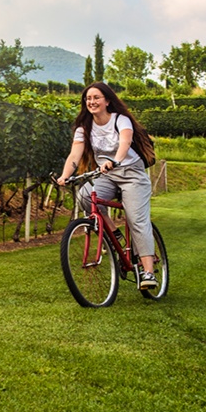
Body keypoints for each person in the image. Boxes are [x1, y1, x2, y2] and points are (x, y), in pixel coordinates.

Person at [57, 82, 158, 290]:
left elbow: (125, 143)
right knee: (85, 196)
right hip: (106, 175)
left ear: (107, 101)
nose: (91, 102)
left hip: (131, 174)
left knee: (136, 219)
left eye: (96, 97)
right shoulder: (84, 128)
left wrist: (116, 160)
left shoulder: (121, 120)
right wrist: (65, 176)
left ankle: (148, 272)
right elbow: (75, 154)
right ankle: (113, 234)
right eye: (88, 98)